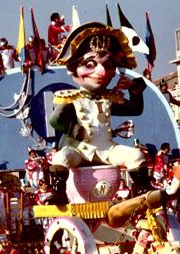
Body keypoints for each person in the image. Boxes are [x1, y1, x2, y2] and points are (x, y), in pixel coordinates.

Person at [48, 22, 150, 204]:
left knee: (136, 156)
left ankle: (144, 189)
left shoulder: (109, 98)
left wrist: (135, 91)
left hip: (107, 149)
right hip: (80, 152)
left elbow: (135, 110)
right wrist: (75, 130)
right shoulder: (71, 98)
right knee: (61, 157)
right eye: (89, 64)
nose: (101, 71)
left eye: (108, 65)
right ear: (73, 69)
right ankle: (58, 193)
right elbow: (55, 121)